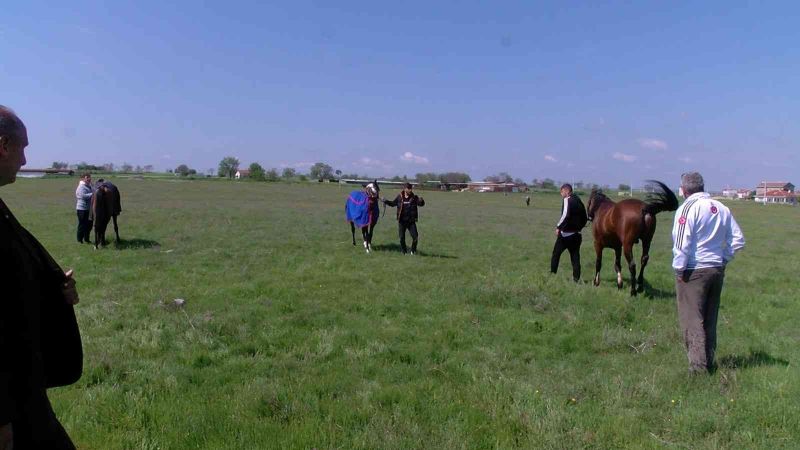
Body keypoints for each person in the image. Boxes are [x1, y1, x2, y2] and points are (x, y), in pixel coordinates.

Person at [0, 105, 83, 449]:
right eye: (23, 148)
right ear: (3, 144)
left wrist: (50, 289)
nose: (23, 160)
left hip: (22, 387)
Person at [672, 172, 745, 374]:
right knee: (710, 319)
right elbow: (738, 239)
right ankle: (709, 361)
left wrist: (679, 269)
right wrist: (723, 259)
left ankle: (698, 368)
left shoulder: (687, 208)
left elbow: (681, 243)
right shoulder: (721, 208)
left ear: (685, 189)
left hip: (694, 270)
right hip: (716, 269)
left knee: (692, 320)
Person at [550, 183, 587, 282]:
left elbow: (565, 215)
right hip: (577, 235)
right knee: (575, 257)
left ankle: (552, 275)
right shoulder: (579, 200)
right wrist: (580, 228)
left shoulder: (567, 199)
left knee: (555, 254)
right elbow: (585, 217)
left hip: (566, 235)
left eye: (561, 192)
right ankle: (576, 279)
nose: (561, 194)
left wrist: (558, 227)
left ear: (566, 191)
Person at [383, 183, 425, 254]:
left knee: (415, 237)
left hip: (411, 221)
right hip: (402, 221)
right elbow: (393, 204)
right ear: (405, 189)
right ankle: (404, 251)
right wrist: (386, 201)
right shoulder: (400, 197)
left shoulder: (414, 197)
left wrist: (422, 201)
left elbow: (421, 204)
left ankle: (413, 251)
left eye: (411, 188)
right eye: (409, 188)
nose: (410, 190)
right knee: (402, 238)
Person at [75, 172, 93, 243]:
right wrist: (93, 194)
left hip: (89, 209)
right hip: (82, 209)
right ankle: (79, 240)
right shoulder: (81, 187)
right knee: (82, 225)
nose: (89, 178)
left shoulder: (89, 186)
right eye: (87, 177)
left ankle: (87, 239)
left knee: (89, 225)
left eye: (89, 177)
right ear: (83, 178)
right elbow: (83, 196)